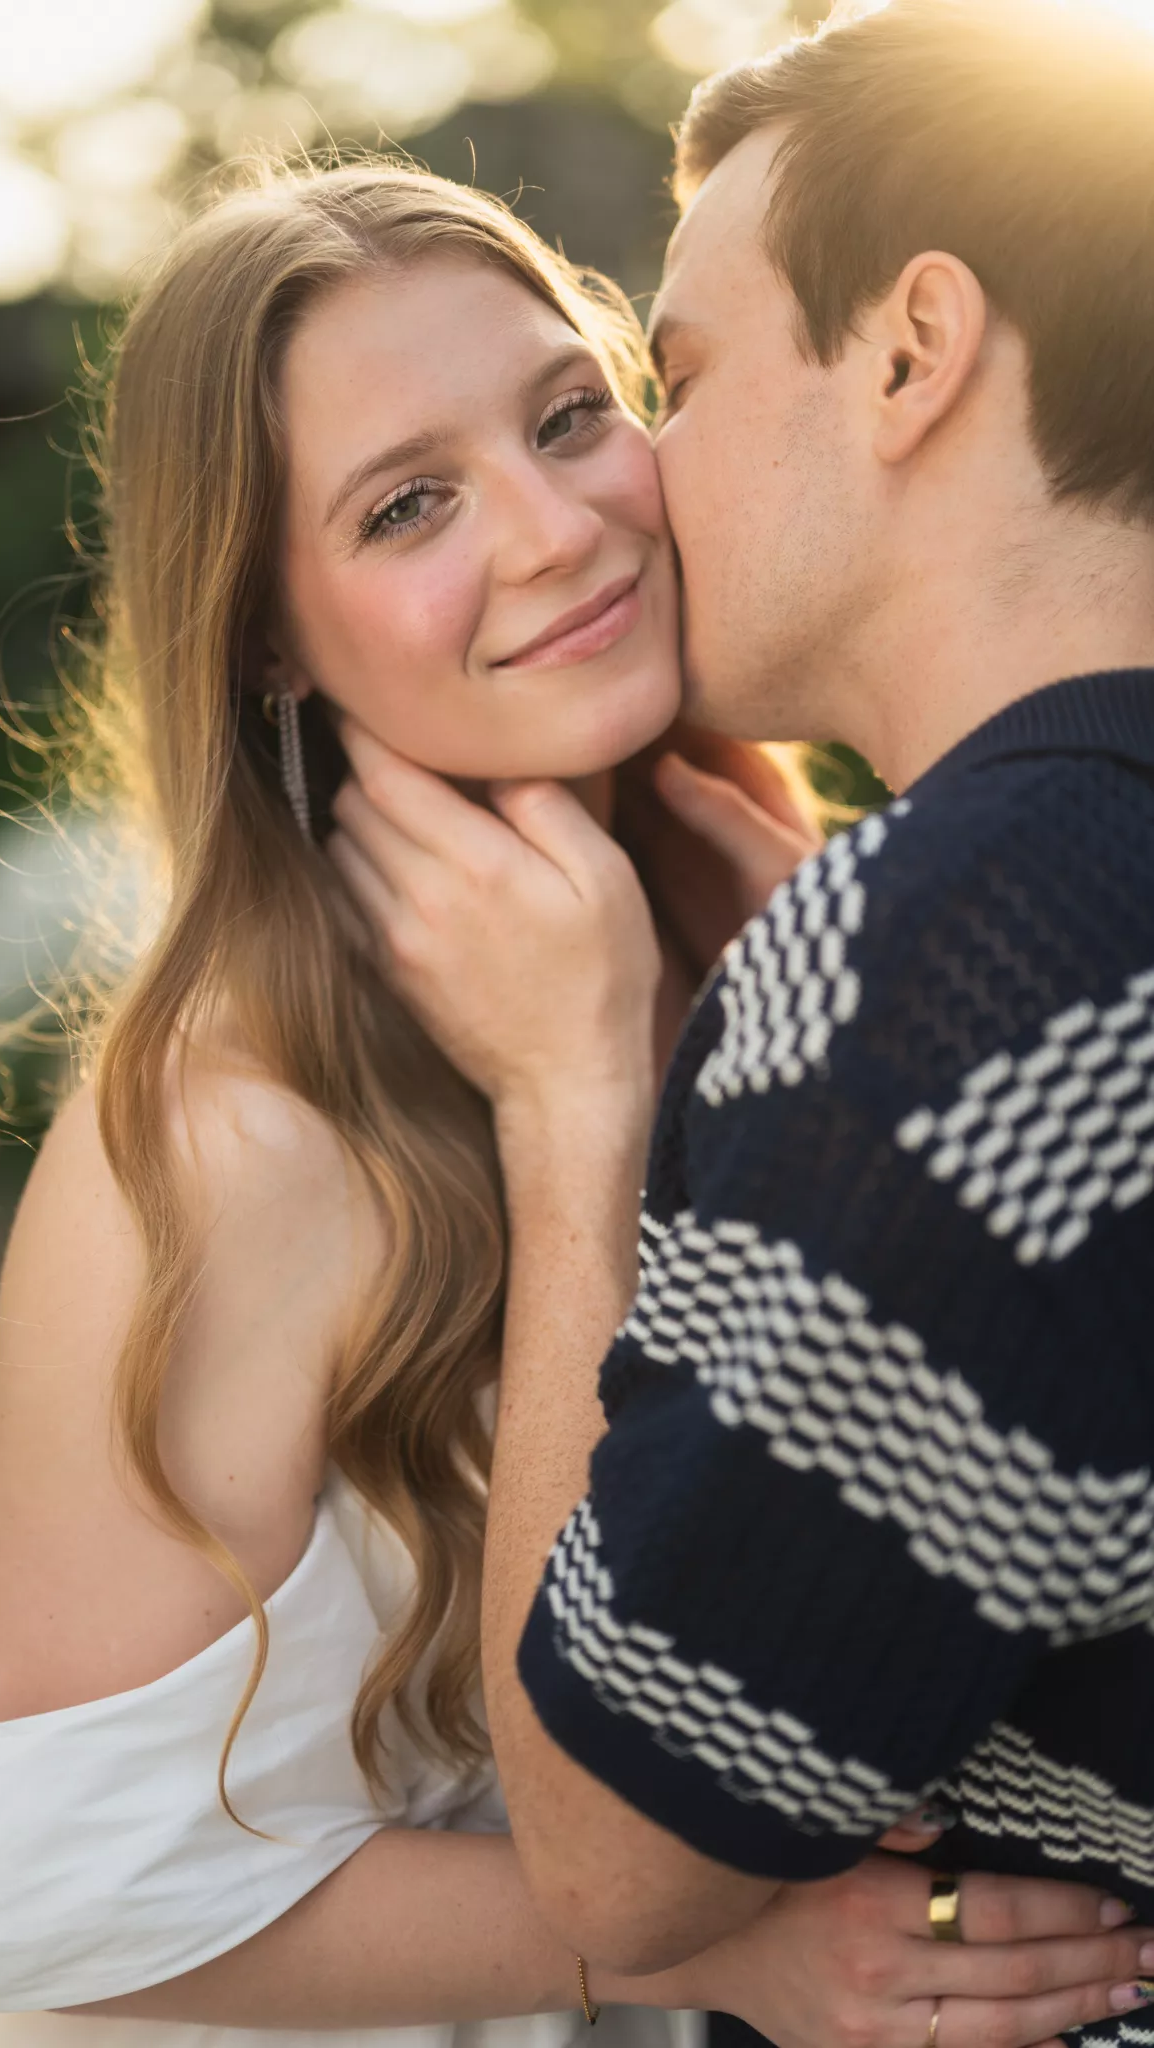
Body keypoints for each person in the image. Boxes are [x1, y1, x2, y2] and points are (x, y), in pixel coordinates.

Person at [0, 159, 1149, 2048]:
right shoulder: (240, 1115)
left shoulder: (777, 912)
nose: (555, 530)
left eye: (573, 415)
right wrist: (695, 1947)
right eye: (409, 504)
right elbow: (13, 1884)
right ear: (267, 634)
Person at [323, 5, 1154, 2047]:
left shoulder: (970, 941)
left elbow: (614, 1857)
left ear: (909, 350)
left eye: (667, 376)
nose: (634, 484)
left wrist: (574, 1097)